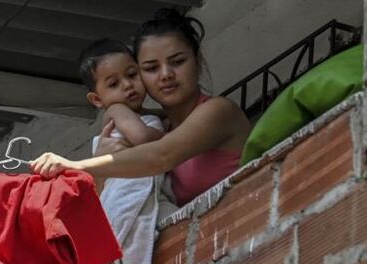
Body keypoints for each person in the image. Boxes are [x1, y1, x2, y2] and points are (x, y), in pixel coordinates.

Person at [32, 8, 251, 208]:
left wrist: (74, 165)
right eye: (151, 68)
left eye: (177, 61)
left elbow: (161, 156)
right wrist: (101, 162)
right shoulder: (157, 127)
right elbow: (105, 203)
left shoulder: (219, 111)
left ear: (198, 60)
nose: (166, 74)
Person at [77, 38, 174, 264]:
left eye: (132, 74)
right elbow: (142, 137)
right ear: (97, 100)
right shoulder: (117, 111)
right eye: (114, 84)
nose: (128, 86)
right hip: (123, 191)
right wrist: (169, 136)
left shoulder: (138, 114)